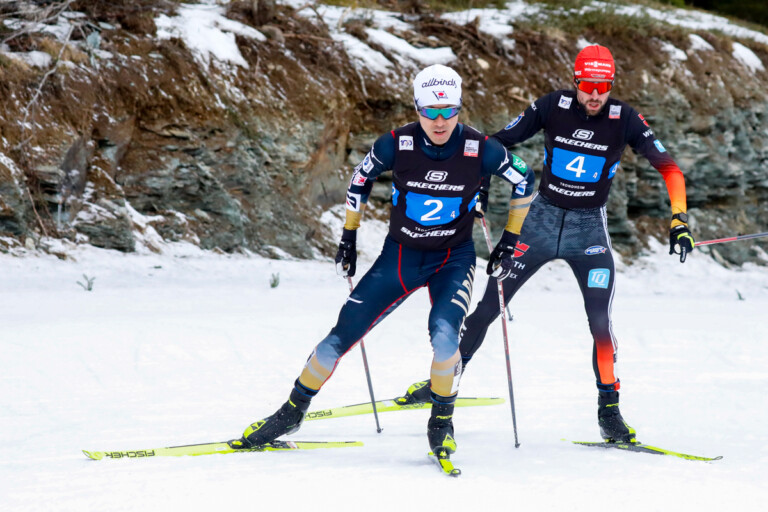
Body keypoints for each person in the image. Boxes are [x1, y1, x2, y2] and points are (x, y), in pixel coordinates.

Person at [229, 64, 536, 458]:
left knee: (445, 340)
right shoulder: (397, 143)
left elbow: (524, 180)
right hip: (401, 256)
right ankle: (291, 412)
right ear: (417, 108)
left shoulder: (481, 148)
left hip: (453, 259)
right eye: (430, 111)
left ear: (460, 108)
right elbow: (359, 179)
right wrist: (349, 236)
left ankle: (441, 422)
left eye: (449, 111)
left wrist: (510, 239)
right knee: (338, 336)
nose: (440, 121)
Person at [397, 45, 695, 444]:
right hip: (539, 222)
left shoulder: (624, 119)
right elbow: (497, 143)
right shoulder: (553, 106)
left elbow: (671, 169)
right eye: (588, 85)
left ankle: (609, 412)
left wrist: (679, 219)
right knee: (486, 309)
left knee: (601, 323)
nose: (594, 95)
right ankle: (442, 384)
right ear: (576, 81)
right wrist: (479, 186)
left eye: (603, 86)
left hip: (588, 230)